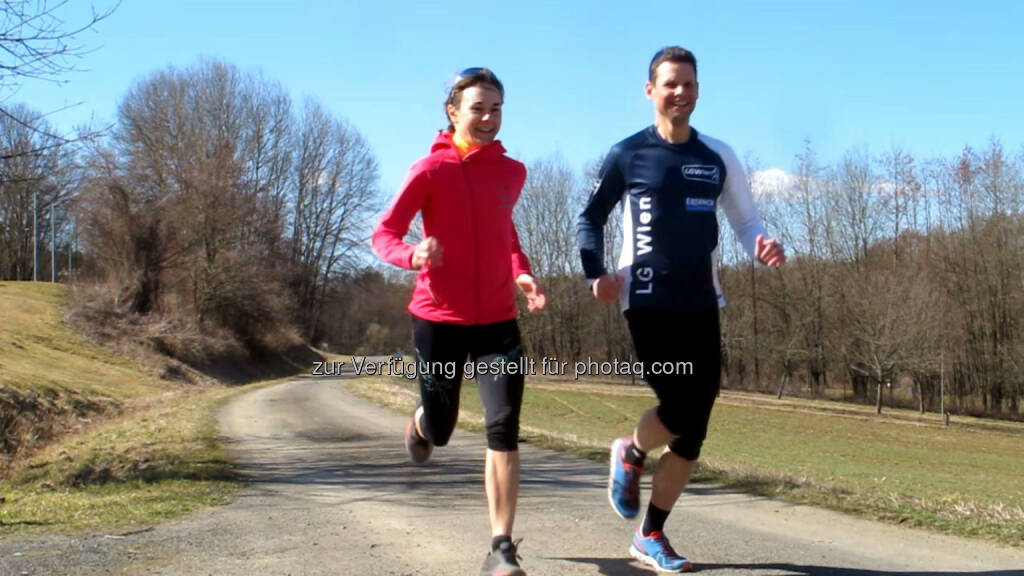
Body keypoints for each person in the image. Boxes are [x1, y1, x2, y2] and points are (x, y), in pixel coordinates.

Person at [576, 46, 786, 573]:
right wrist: (595, 273)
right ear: (650, 90)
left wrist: (760, 242)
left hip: (701, 298)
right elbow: (590, 217)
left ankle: (650, 535)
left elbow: (745, 220)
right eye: (670, 83)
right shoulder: (628, 154)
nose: (681, 93)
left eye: (689, 84)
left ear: (698, 90)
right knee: (680, 401)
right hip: (645, 299)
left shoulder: (718, 156)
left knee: (694, 427)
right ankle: (630, 449)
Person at [372, 67, 546, 576]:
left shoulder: (512, 173)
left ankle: (501, 547)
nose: (489, 117)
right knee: (443, 428)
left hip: (497, 320)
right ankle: (424, 422)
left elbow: (503, 232)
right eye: (478, 108)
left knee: (502, 425)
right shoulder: (428, 170)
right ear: (453, 111)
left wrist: (523, 273)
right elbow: (384, 233)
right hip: (438, 318)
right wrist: (412, 256)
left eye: (496, 108)